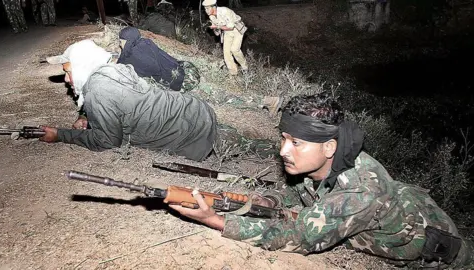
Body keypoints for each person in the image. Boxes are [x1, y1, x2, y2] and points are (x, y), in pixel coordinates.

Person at [170, 92, 474, 269]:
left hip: (440, 253)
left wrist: (219, 222)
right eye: (284, 139)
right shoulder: (321, 162)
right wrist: (268, 201)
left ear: (329, 147)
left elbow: (302, 237)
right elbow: (299, 195)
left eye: (296, 143)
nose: (283, 151)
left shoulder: (359, 191)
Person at [40, 39, 217, 161]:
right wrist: (87, 116)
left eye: (68, 71)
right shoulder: (113, 70)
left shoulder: (97, 91)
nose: (65, 79)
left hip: (191, 135)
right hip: (195, 109)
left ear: (82, 66)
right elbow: (120, 103)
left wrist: (59, 135)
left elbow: (107, 141)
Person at [117, 27, 199, 92]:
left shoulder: (132, 57)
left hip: (182, 83)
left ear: (128, 41)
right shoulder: (146, 42)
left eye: (121, 42)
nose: (120, 44)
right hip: (186, 72)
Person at [202, 0, 248, 76]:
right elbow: (217, 33)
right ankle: (233, 72)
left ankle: (245, 67)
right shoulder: (211, 17)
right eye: (205, 9)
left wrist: (217, 26)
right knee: (226, 53)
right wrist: (214, 29)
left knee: (234, 50)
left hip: (237, 30)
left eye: (208, 8)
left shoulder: (225, 11)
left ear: (213, 7)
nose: (206, 11)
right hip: (227, 32)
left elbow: (231, 27)